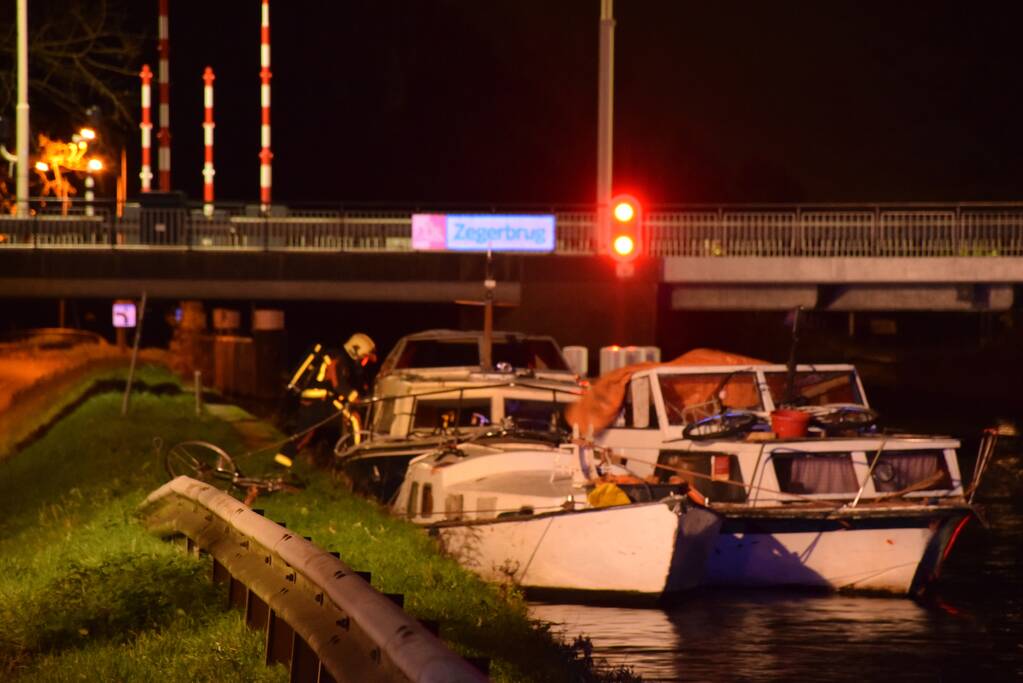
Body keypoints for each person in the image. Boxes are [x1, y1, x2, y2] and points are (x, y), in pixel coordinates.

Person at [275, 333, 377, 468]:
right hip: (320, 399)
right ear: (356, 350)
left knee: (305, 434)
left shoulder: (336, 356)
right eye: (363, 358)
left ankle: (281, 461)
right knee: (353, 418)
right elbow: (337, 383)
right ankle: (356, 458)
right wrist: (354, 397)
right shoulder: (337, 358)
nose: (363, 362)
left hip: (314, 399)